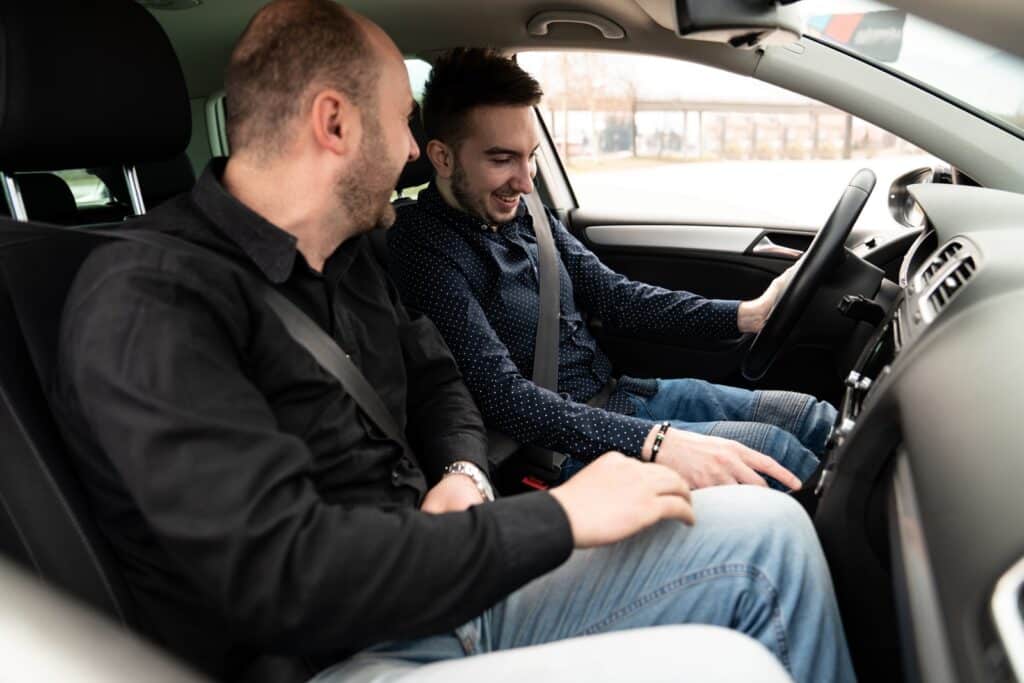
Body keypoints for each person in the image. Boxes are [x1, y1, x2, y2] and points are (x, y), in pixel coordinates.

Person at [51, 2, 855, 681]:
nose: (409, 151)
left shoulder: (348, 254)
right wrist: (563, 518)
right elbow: (285, 573)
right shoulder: (150, 298)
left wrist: (464, 476)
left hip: (438, 577)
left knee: (771, 531)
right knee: (752, 599)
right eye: (403, 121)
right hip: (339, 652)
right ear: (334, 122)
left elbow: (443, 385)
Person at [388, 48, 837, 490]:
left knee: (812, 417)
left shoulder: (525, 211)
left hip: (625, 398)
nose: (525, 182)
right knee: (777, 456)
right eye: (502, 159)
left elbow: (615, 296)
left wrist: (747, 314)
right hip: (560, 449)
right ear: (443, 158)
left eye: (532, 156)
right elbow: (505, 399)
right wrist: (653, 441)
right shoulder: (423, 248)